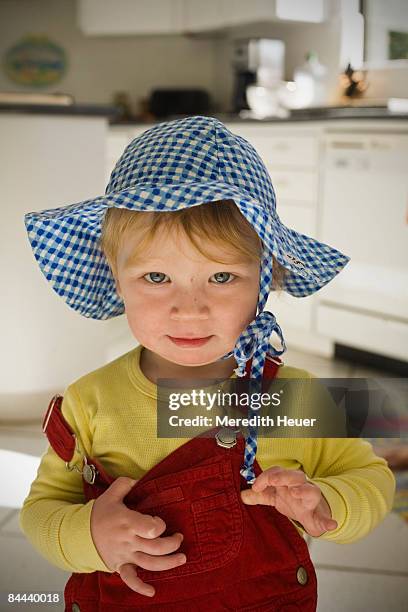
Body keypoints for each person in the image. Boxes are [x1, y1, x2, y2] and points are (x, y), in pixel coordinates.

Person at [20, 116, 395, 611]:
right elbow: (41, 511)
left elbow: (372, 479)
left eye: (221, 277)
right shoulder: (88, 401)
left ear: (264, 279)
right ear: (115, 278)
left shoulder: (296, 397)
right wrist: (87, 533)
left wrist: (328, 503)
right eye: (157, 276)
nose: (189, 308)